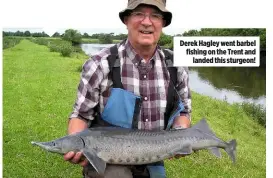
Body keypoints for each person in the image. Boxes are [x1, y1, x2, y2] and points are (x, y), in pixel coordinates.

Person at [64, 0, 192, 177]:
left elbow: (183, 111)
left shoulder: (176, 66)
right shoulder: (100, 64)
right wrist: (78, 144)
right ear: (126, 20)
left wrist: (180, 135)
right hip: (108, 160)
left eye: (155, 15)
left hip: (153, 158)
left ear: (163, 23)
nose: (147, 22)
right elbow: (81, 115)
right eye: (139, 13)